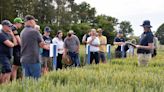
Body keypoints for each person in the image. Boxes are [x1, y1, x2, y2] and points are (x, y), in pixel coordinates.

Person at [20, 15, 49, 79]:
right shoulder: (35, 31)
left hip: (24, 60)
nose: (35, 23)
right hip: (34, 60)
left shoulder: (22, 32)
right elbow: (42, 44)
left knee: (27, 83)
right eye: (34, 21)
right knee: (36, 82)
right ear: (30, 21)